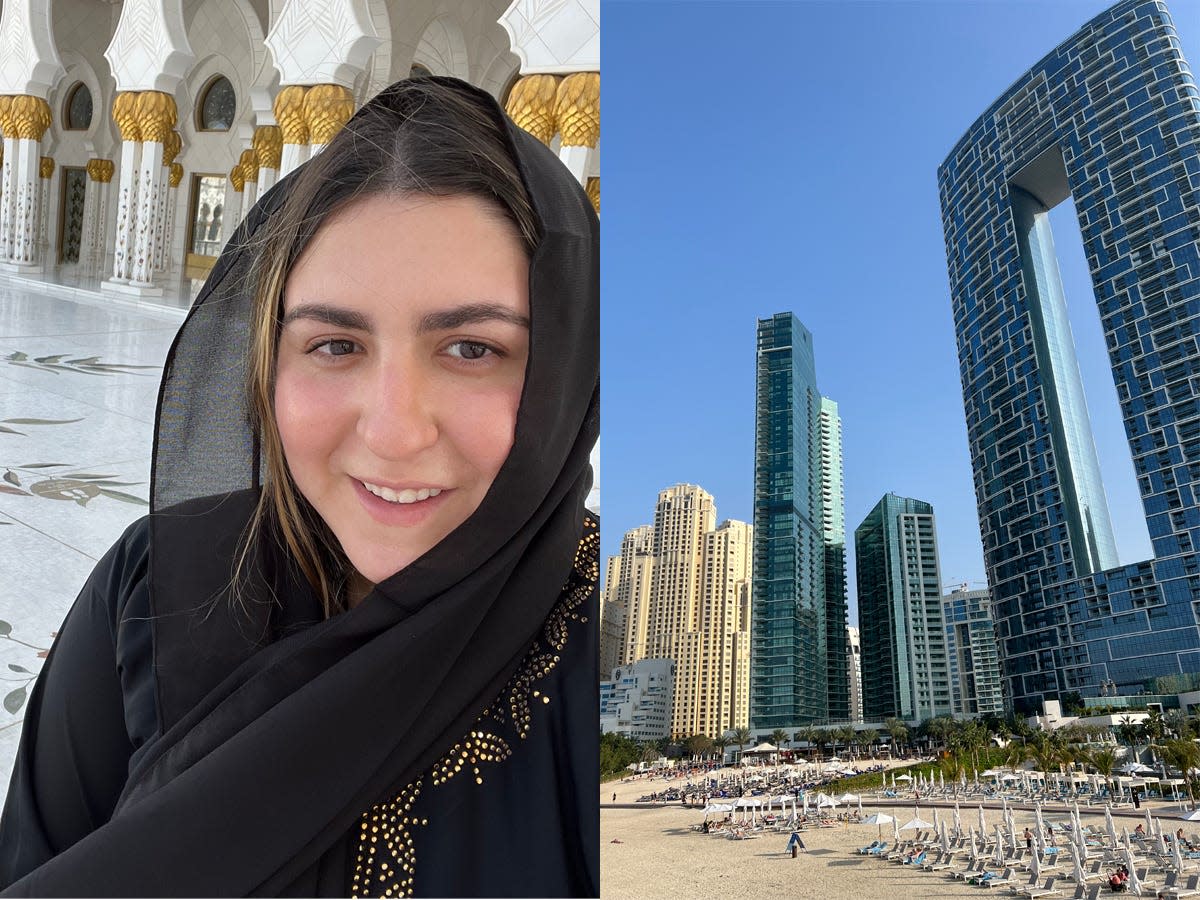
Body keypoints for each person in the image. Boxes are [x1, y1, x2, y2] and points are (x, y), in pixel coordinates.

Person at [0, 76, 598, 897]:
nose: (392, 431)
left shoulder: (599, 654)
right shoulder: (155, 589)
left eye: (472, 349)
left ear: (567, 368)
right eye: (334, 345)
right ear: (269, 360)